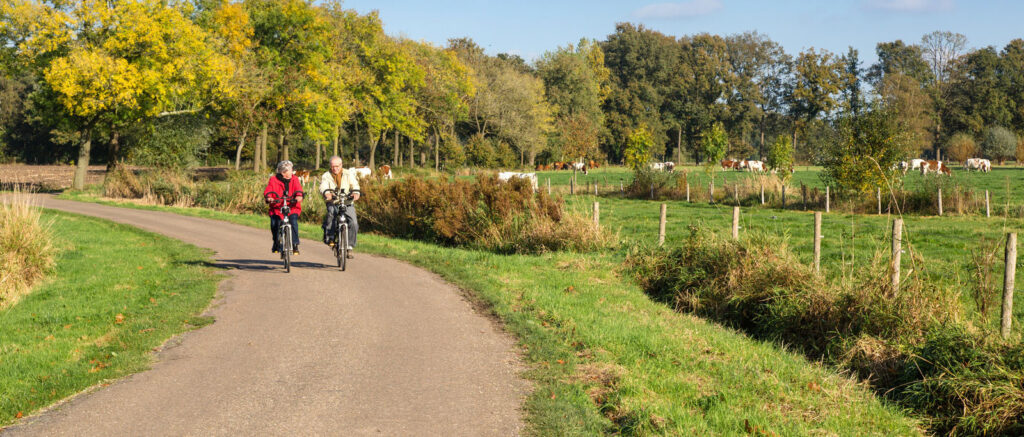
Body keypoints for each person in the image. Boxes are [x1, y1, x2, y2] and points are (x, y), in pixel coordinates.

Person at [318, 155, 360, 257]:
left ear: (341, 165)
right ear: (330, 166)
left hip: (346, 201)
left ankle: (349, 246)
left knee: (353, 222)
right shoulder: (326, 175)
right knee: (331, 214)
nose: (335, 168)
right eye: (333, 166)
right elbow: (323, 186)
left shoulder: (348, 173)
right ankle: (330, 236)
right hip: (333, 201)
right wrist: (326, 193)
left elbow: (354, 184)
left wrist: (355, 192)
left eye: (337, 166)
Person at [264, 160, 304, 255]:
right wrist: (270, 198)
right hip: (277, 208)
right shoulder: (273, 180)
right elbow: (268, 191)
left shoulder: (295, 179)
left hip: (292, 207)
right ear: (283, 172)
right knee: (275, 224)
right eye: (290, 170)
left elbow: (299, 190)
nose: (292, 172)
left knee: (293, 221)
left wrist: (298, 196)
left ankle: (295, 244)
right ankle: (276, 242)